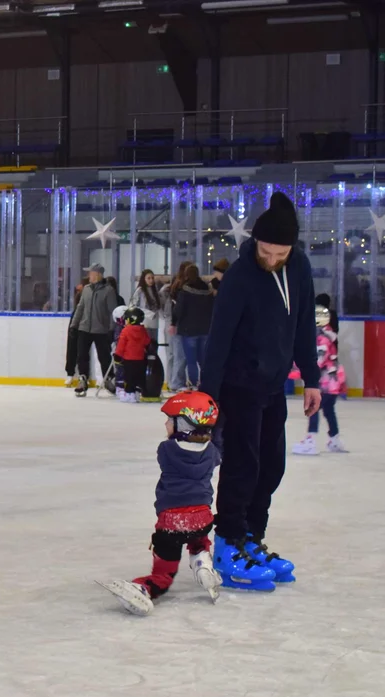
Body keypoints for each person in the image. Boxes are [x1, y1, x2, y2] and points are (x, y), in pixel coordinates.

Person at [200, 191, 320, 592]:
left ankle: (252, 538)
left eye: (278, 253)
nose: (270, 260)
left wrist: (312, 378)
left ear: (291, 247)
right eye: (264, 251)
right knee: (242, 465)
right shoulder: (240, 275)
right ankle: (228, 545)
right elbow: (217, 340)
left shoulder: (299, 267)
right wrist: (207, 397)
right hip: (237, 384)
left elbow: (303, 325)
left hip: (273, 385)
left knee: (271, 466)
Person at [99, 391, 223, 615]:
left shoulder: (166, 450)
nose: (166, 423)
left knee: (164, 573)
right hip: (202, 515)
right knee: (198, 539)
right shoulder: (213, 452)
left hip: (172, 521)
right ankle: (202, 562)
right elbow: (211, 451)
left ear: (184, 423)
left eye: (171, 419)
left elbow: (174, 454)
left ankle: (145, 589)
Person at [292, 305, 347, 456]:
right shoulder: (327, 335)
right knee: (329, 411)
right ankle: (335, 438)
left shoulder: (321, 338)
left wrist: (296, 368)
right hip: (333, 383)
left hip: (325, 384)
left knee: (313, 409)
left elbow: (318, 361)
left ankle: (311, 440)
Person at [70, 263, 118, 397]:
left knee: (104, 357)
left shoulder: (108, 291)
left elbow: (112, 312)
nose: (88, 276)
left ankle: (108, 379)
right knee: (82, 356)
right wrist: (74, 325)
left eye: (90, 273)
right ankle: (83, 381)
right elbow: (80, 308)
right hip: (84, 328)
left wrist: (111, 329)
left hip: (101, 330)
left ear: (97, 275)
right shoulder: (86, 289)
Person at [171, 264, 214, 388]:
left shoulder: (185, 290)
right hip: (205, 329)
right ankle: (207, 383)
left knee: (191, 360)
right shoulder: (208, 289)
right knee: (203, 359)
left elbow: (179, 309)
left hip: (189, 330)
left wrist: (174, 323)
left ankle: (194, 384)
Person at [161, 261, 192, 392]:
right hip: (175, 322)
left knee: (174, 354)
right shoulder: (179, 287)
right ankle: (174, 381)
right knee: (177, 354)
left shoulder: (175, 287)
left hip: (174, 321)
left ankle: (173, 380)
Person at [115, 307, 151, 403]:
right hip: (140, 359)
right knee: (139, 376)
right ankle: (137, 393)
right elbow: (147, 342)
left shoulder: (126, 331)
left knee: (129, 377)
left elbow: (121, 345)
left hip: (129, 359)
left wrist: (117, 356)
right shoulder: (143, 330)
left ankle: (129, 394)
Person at [65, 278, 87, 386]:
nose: (78, 286)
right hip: (76, 320)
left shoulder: (88, 295)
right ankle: (70, 373)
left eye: (81, 284)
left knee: (82, 350)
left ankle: (82, 375)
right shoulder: (79, 295)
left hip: (86, 322)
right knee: (72, 347)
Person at [130, 269, 161, 342]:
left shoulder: (155, 290)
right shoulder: (140, 290)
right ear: (144, 279)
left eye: (152, 278)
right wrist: (148, 313)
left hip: (154, 324)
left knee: (153, 346)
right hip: (144, 323)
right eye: (148, 278)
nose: (151, 280)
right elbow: (133, 306)